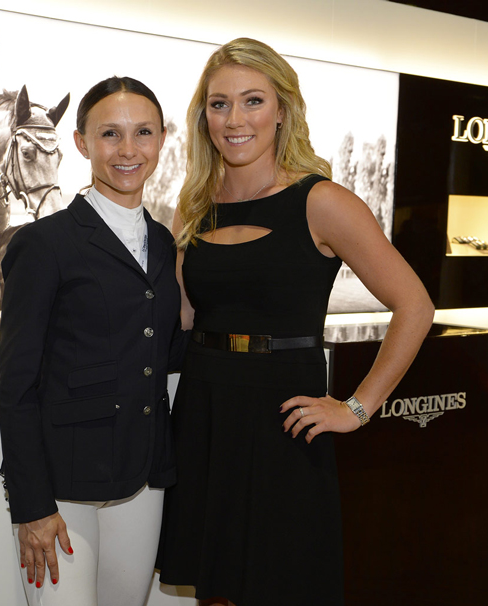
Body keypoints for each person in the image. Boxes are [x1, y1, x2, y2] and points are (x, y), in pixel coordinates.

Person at [155, 38, 435, 605]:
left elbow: (416, 305)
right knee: (214, 589)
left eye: (253, 100)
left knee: (279, 585)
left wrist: (357, 408)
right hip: (204, 414)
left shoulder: (322, 202)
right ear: (204, 116)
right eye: (219, 104)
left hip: (284, 420)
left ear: (282, 109)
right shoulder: (194, 205)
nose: (235, 119)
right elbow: (182, 317)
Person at [0, 76, 189, 606]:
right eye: (110, 134)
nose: (128, 150)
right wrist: (32, 506)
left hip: (143, 477)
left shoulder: (165, 242)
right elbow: (17, 385)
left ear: (161, 140)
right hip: (62, 486)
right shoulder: (43, 243)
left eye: (143, 133)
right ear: (82, 143)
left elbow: (160, 351)